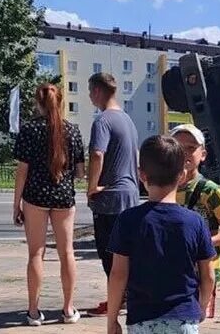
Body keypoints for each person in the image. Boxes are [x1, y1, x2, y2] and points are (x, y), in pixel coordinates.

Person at [107, 135, 216, 334]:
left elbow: (118, 275)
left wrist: (112, 319)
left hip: (142, 319)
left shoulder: (128, 220)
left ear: (142, 175)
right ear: (182, 175)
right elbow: (208, 275)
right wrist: (202, 306)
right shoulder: (195, 222)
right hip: (184, 319)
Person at [12, 84, 85, 326]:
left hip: (35, 197)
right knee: (67, 253)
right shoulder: (73, 131)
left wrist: (16, 205)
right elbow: (80, 173)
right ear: (61, 102)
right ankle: (68, 308)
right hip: (64, 198)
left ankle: (33, 311)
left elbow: (22, 172)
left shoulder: (29, 130)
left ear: (38, 103)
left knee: (36, 253)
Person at [87, 73, 140, 316]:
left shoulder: (103, 121)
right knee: (127, 252)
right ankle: (128, 297)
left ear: (98, 91)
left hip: (110, 197)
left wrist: (92, 186)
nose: (89, 96)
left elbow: (98, 154)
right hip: (130, 195)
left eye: (90, 91)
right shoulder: (128, 120)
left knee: (108, 254)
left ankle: (117, 300)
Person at [171, 124, 220, 319]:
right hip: (175, 266)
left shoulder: (210, 190)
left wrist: (202, 244)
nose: (185, 153)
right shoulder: (166, 187)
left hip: (203, 269)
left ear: (203, 154)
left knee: (193, 319)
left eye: (191, 148)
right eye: (178, 148)